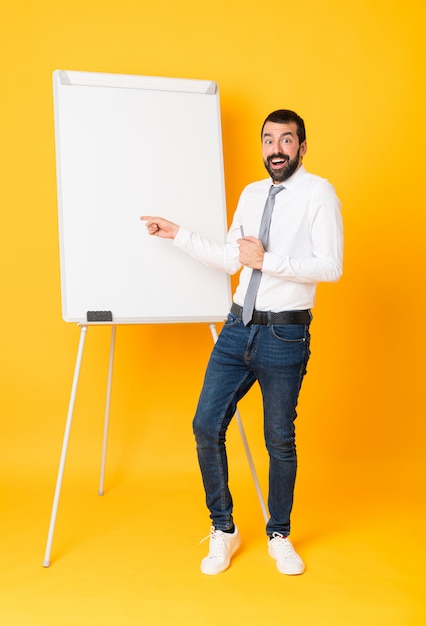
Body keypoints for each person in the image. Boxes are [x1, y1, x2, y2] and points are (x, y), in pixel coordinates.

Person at [141, 109, 343, 576]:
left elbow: (330, 266)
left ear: (302, 147)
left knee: (279, 438)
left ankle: (280, 534)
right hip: (237, 328)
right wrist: (177, 234)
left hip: (284, 333)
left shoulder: (319, 194)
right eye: (269, 140)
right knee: (205, 425)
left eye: (286, 140)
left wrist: (267, 260)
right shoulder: (252, 195)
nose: (276, 149)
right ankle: (223, 528)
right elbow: (232, 258)